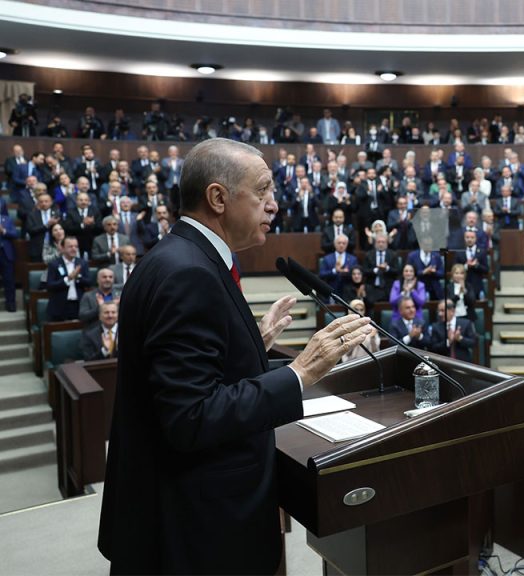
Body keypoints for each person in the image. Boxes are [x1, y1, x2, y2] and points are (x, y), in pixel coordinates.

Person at [98, 138, 374, 574]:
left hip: (173, 513)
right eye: (262, 190)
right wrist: (300, 372)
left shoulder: (174, 257)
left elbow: (183, 373)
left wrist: (251, 346)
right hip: (195, 531)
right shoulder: (190, 274)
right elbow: (190, 417)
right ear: (218, 198)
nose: (273, 205)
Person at [46, 236, 91, 321]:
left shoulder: (82, 263)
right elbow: (50, 285)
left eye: (76, 246)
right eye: (70, 246)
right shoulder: (54, 264)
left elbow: (89, 282)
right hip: (60, 306)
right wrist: (68, 279)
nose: (74, 249)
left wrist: (78, 277)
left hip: (79, 305)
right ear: (62, 248)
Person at [339, 299, 381, 363]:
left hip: (369, 362)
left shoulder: (370, 325)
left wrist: (372, 337)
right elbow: (346, 353)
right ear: (350, 310)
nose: (359, 312)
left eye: (361, 310)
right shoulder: (345, 326)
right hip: (351, 363)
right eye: (356, 309)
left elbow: (376, 352)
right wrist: (356, 337)